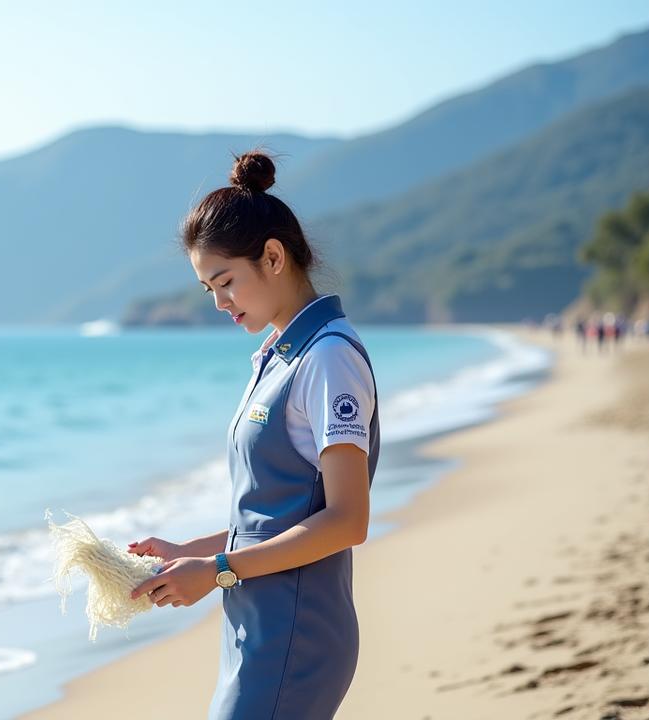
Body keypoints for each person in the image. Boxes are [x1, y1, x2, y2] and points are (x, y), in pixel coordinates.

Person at [126, 150, 380, 720]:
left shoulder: (328, 358)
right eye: (206, 288)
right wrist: (187, 553)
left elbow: (347, 519)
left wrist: (215, 570)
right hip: (260, 624)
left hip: (297, 631)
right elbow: (274, 512)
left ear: (272, 257)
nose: (219, 302)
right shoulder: (281, 355)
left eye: (225, 282)